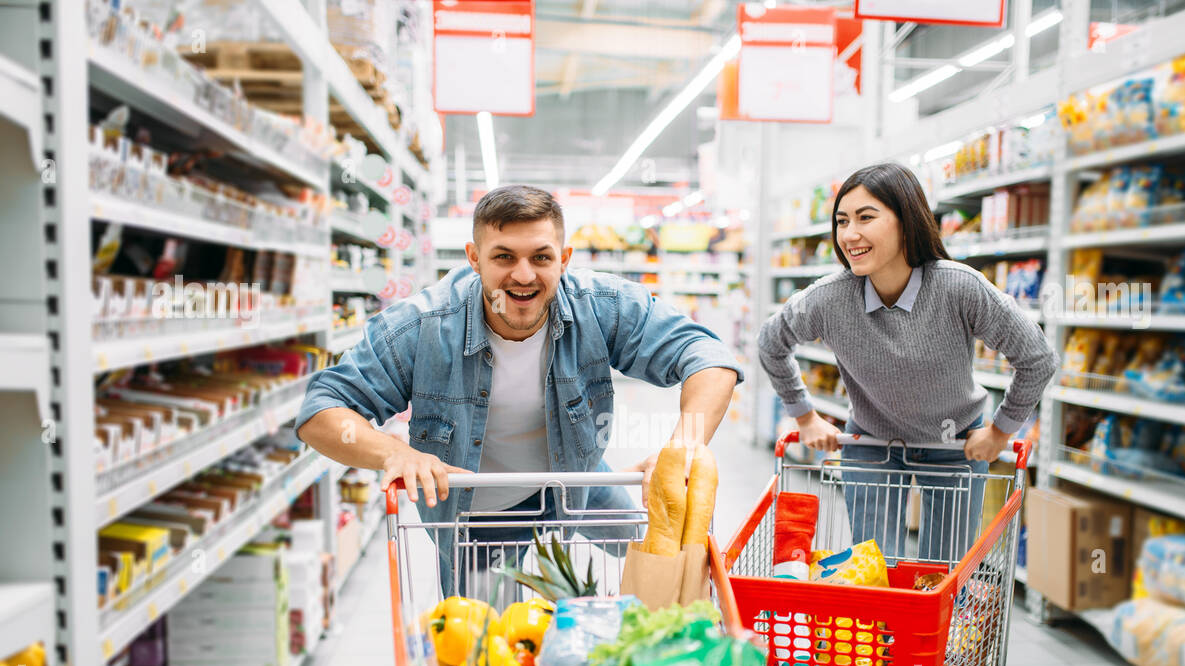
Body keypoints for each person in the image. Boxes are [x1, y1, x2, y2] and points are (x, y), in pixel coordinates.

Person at [296, 185, 743, 598]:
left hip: (575, 476)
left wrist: (683, 447)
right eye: (504, 257)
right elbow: (321, 411)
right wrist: (394, 455)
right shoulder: (422, 326)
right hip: (481, 512)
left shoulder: (599, 305)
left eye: (541, 257)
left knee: (666, 562)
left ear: (564, 258)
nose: (523, 275)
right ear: (474, 257)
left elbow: (709, 357)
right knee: (482, 644)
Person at [758, 162, 1057, 564]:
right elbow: (770, 342)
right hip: (871, 443)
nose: (850, 234)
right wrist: (805, 416)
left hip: (955, 445)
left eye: (866, 217)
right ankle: (884, 631)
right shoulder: (829, 299)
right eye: (842, 221)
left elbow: (1037, 357)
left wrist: (1001, 432)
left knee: (945, 574)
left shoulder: (959, 288)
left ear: (906, 221)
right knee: (875, 570)